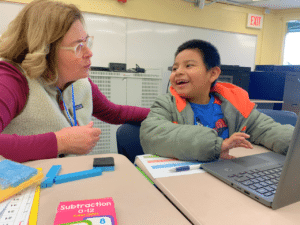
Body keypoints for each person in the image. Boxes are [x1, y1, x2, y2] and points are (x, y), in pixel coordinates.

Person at [0, 0, 149, 163]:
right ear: (45, 50)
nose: (89, 52)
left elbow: (115, 112)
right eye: (79, 46)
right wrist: (61, 142)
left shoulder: (79, 82)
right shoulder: (11, 79)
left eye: (87, 42)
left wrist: (162, 115)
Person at [140, 39, 294, 161]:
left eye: (188, 65)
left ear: (213, 73)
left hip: (230, 171)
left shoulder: (235, 104)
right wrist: (217, 145)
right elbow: (151, 134)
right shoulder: (167, 104)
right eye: (174, 68)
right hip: (187, 177)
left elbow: (267, 129)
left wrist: (294, 143)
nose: (178, 72)